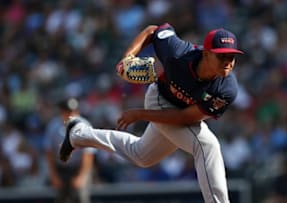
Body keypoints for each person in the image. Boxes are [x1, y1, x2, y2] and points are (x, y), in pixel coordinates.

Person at [59, 23, 243, 203]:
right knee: (207, 145)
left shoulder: (227, 89)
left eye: (232, 57)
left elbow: (184, 118)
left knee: (140, 155)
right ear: (206, 54)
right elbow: (153, 31)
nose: (228, 62)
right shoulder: (177, 53)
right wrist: (127, 57)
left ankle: (77, 134)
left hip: (180, 113)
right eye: (222, 56)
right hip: (160, 100)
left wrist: (140, 114)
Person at [45, 98, 95, 203]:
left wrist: (82, 176)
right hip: (61, 169)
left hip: (78, 167)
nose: (71, 114)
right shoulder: (53, 126)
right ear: (61, 112)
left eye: (73, 111)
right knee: (60, 198)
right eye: (67, 111)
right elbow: (49, 153)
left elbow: (88, 155)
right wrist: (53, 175)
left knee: (82, 198)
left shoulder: (85, 126)